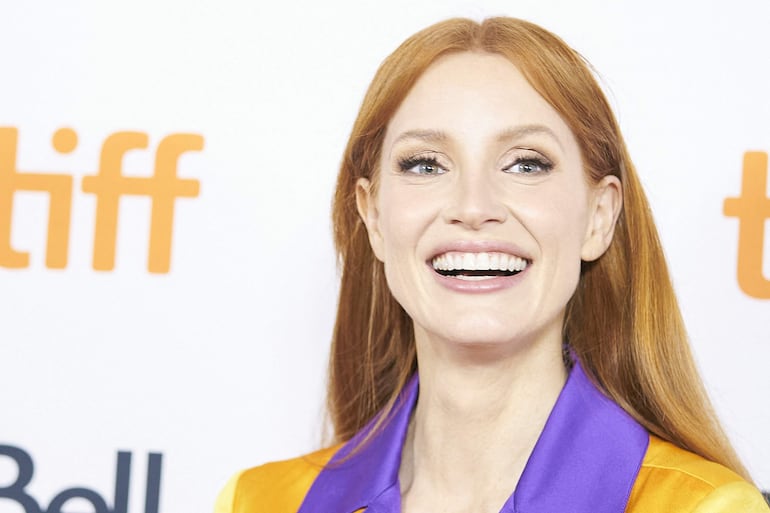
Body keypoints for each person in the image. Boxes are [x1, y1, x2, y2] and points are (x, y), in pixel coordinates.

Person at [215, 17, 769, 512]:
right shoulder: (259, 502)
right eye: (426, 165)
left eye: (526, 164)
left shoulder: (702, 508)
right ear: (374, 217)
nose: (473, 207)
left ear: (599, 217)